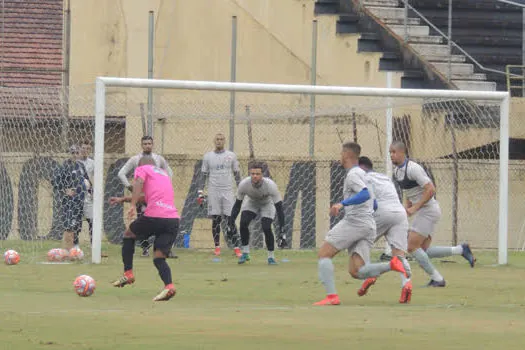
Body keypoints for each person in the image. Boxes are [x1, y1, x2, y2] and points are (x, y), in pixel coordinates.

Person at [314, 142, 409, 306]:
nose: (340, 157)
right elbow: (374, 204)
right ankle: (392, 264)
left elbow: (365, 195)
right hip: (369, 224)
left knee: (324, 253)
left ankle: (331, 297)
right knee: (357, 271)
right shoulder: (365, 175)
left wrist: (342, 204)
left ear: (346, 155)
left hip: (355, 222)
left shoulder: (353, 174)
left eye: (341, 153)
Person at [390, 141, 475, 287]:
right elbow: (409, 191)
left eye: (394, 152)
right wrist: (407, 207)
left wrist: (415, 207)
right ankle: (461, 249)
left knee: (410, 247)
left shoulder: (413, 168)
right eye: (390, 153)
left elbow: (430, 189)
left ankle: (438, 279)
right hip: (423, 212)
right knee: (423, 251)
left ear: (402, 153)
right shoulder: (397, 171)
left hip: (429, 211)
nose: (391, 155)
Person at [111, 155, 180, 301]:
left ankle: (128, 273)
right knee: (159, 258)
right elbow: (147, 198)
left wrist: (132, 205)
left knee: (129, 234)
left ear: (139, 165)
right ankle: (169, 286)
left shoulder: (142, 168)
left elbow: (138, 184)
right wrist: (123, 199)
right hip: (172, 220)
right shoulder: (164, 174)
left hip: (154, 216)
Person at [357, 156, 412, 303]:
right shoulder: (385, 178)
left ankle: (371, 274)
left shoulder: (363, 178)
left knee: (361, 244)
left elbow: (371, 202)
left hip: (382, 212)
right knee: (399, 255)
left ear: (361, 168)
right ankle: (407, 284)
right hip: (399, 213)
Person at [117, 136, 175, 258]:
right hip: (142, 196)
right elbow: (121, 173)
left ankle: (164, 249)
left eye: (149, 143)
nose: (147, 145)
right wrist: (130, 187)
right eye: (145, 143)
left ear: (152, 145)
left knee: (160, 221)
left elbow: (170, 173)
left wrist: (164, 187)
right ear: (141, 145)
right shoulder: (135, 159)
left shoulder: (159, 159)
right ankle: (145, 248)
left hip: (156, 196)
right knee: (142, 220)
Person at [229, 161, 285, 265]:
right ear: (250, 173)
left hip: (267, 204)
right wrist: (231, 221)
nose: (255, 176)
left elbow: (279, 209)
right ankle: (245, 253)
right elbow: (237, 205)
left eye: (258, 174)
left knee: (266, 227)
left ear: (262, 174)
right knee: (243, 222)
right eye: (253, 174)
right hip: (252, 202)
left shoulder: (270, 185)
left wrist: (282, 231)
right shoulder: (244, 184)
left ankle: (271, 257)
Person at [199, 133, 242, 257]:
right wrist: (201, 192)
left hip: (228, 190)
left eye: (221, 139)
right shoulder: (208, 157)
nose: (219, 141)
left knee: (231, 219)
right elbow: (203, 175)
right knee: (216, 219)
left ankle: (236, 247)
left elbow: (236, 173)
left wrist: (241, 189)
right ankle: (217, 247)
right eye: (217, 139)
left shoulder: (231, 155)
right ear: (214, 141)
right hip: (213, 191)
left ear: (225, 141)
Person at [58, 145, 91, 250]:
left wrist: (90, 190)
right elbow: (57, 181)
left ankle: (76, 246)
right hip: (69, 201)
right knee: (69, 224)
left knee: (77, 223)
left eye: (77, 153)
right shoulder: (64, 166)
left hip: (80, 200)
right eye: (73, 153)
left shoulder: (81, 165)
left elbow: (86, 179)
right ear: (69, 154)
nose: (75, 155)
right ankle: (68, 248)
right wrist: (65, 190)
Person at [78, 140, 94, 245]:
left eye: (87, 149)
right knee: (76, 221)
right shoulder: (75, 162)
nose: (85, 150)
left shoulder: (93, 163)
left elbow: (95, 178)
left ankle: (93, 245)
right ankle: (75, 245)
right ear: (80, 149)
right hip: (77, 195)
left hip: (88, 195)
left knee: (92, 220)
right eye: (83, 148)